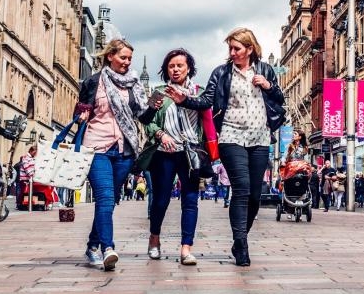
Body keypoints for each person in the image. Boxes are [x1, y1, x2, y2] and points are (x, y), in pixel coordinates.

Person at [169, 27, 285, 267]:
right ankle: (241, 243)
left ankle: (240, 236)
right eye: (230, 48)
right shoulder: (222, 73)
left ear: (250, 49)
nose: (232, 52)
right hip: (231, 137)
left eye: (237, 48)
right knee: (241, 189)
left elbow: (279, 99)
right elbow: (206, 100)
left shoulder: (265, 70)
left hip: (261, 138)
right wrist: (185, 100)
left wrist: (268, 86)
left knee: (255, 195)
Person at [75, 38, 158, 271]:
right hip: (97, 147)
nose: (127, 62)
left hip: (124, 150)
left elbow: (143, 117)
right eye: (123, 57)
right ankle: (107, 248)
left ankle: (92, 246)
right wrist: (81, 114)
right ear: (110, 56)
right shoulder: (93, 82)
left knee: (109, 202)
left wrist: (153, 106)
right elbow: (81, 109)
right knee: (104, 197)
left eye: (130, 58)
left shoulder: (133, 85)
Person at [138, 48, 206, 266]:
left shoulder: (199, 92)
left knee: (190, 201)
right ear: (166, 69)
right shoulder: (159, 92)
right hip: (164, 153)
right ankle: (154, 238)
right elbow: (146, 120)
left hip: (190, 154)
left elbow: (208, 121)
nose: (176, 69)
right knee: (161, 200)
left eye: (180, 65)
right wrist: (160, 134)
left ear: (189, 68)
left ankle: (186, 248)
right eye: (171, 66)